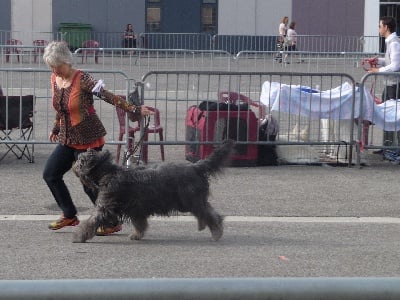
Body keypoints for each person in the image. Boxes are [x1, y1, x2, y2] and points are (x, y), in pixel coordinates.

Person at [42, 41, 152, 234]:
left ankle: (111, 222)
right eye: (51, 66)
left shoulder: (82, 78)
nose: (53, 70)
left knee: (90, 185)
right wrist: (55, 128)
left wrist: (135, 109)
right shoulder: (54, 79)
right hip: (67, 139)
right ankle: (69, 214)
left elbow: (109, 96)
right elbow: (60, 109)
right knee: (50, 174)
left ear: (66, 61)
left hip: (88, 139)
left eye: (56, 66)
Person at [368, 16, 400, 153]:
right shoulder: (391, 42)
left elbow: (395, 65)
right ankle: (387, 146)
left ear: (386, 27)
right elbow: (390, 61)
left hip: (394, 86)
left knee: (395, 117)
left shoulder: (394, 43)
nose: (379, 29)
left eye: (380, 26)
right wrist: (379, 60)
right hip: (390, 85)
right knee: (387, 115)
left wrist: (378, 70)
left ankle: (395, 149)